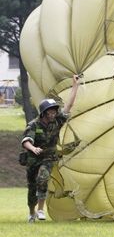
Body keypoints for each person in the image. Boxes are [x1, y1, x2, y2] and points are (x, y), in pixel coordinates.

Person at [22, 75, 80, 223]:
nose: (54, 114)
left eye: (55, 112)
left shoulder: (57, 121)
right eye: (51, 112)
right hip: (33, 159)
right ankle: (31, 212)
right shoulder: (34, 124)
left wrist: (75, 85)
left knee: (42, 181)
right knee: (31, 188)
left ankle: (41, 210)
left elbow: (69, 106)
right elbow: (26, 141)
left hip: (47, 158)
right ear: (43, 113)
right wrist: (33, 148)